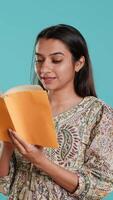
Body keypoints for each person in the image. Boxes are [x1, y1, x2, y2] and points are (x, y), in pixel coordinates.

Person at [0, 24, 113, 200]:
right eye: (39, 60)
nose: (44, 69)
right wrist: (6, 145)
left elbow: (99, 185)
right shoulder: (21, 107)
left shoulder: (97, 114)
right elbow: (4, 184)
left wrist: (40, 160)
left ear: (79, 63)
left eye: (56, 60)